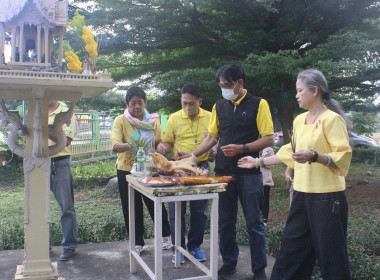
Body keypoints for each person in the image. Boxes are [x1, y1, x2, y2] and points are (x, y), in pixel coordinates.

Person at [238, 69, 352, 280]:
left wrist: (315, 156)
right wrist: (258, 161)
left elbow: (342, 155)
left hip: (328, 198)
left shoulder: (332, 120)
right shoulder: (299, 120)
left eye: (300, 90)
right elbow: (290, 152)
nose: (297, 95)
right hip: (301, 195)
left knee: (332, 257)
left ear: (315, 90)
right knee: (291, 252)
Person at [177, 64, 274, 280]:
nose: (224, 89)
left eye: (227, 85)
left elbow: (268, 138)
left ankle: (259, 269)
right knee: (225, 222)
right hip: (223, 173)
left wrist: (243, 149)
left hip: (248, 171)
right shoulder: (219, 106)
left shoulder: (259, 104)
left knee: (254, 222)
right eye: (221, 85)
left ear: (239, 83)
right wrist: (192, 156)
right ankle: (229, 264)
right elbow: (211, 137)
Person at [110, 86, 172, 255]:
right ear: (126, 104)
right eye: (133, 103)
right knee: (131, 206)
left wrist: (162, 146)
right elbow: (115, 146)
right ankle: (137, 242)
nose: (137, 107)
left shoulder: (153, 121)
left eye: (140, 103)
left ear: (145, 102)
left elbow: (161, 142)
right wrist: (134, 143)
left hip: (150, 169)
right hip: (127, 170)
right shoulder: (120, 120)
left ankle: (165, 236)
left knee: (154, 202)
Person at [156, 83, 212, 264]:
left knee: (199, 210)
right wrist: (164, 147)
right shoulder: (173, 118)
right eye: (184, 103)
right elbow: (167, 142)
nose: (187, 107)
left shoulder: (211, 118)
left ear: (200, 101)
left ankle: (194, 247)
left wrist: (213, 151)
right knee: (176, 209)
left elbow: (215, 141)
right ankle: (177, 248)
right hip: (178, 169)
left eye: (191, 104)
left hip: (201, 168)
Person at [48, 100, 78, 261]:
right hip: (37, 162)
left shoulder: (66, 112)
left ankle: (69, 246)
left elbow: (65, 140)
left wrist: (44, 131)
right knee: (38, 208)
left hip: (59, 163)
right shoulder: (33, 108)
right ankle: (41, 245)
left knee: (66, 207)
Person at [261, 147, 274, 224]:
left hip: (265, 180)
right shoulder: (252, 146)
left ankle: (264, 220)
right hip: (254, 179)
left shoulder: (269, 150)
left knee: (265, 200)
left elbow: (271, 164)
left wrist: (259, 162)